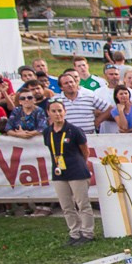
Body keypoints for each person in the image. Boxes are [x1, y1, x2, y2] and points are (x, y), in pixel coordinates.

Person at [43, 99, 94, 244]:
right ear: (48, 113)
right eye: (54, 111)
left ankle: (88, 233)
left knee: (82, 203)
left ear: (65, 111)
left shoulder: (74, 130)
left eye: (60, 110)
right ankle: (74, 233)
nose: (57, 114)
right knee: (66, 205)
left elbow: (85, 151)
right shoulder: (47, 132)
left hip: (77, 170)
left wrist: (81, 164)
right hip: (59, 172)